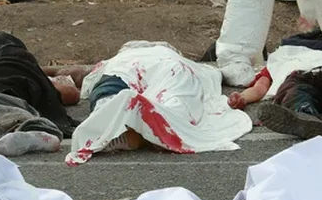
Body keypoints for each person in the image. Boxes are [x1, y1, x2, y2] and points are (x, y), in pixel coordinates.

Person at [65, 41, 252, 165]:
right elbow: (237, 74)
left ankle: (112, 124)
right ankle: (147, 128)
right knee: (177, 101)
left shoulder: (112, 61)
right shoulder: (184, 61)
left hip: (124, 70)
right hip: (170, 69)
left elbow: (78, 77)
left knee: (108, 90)